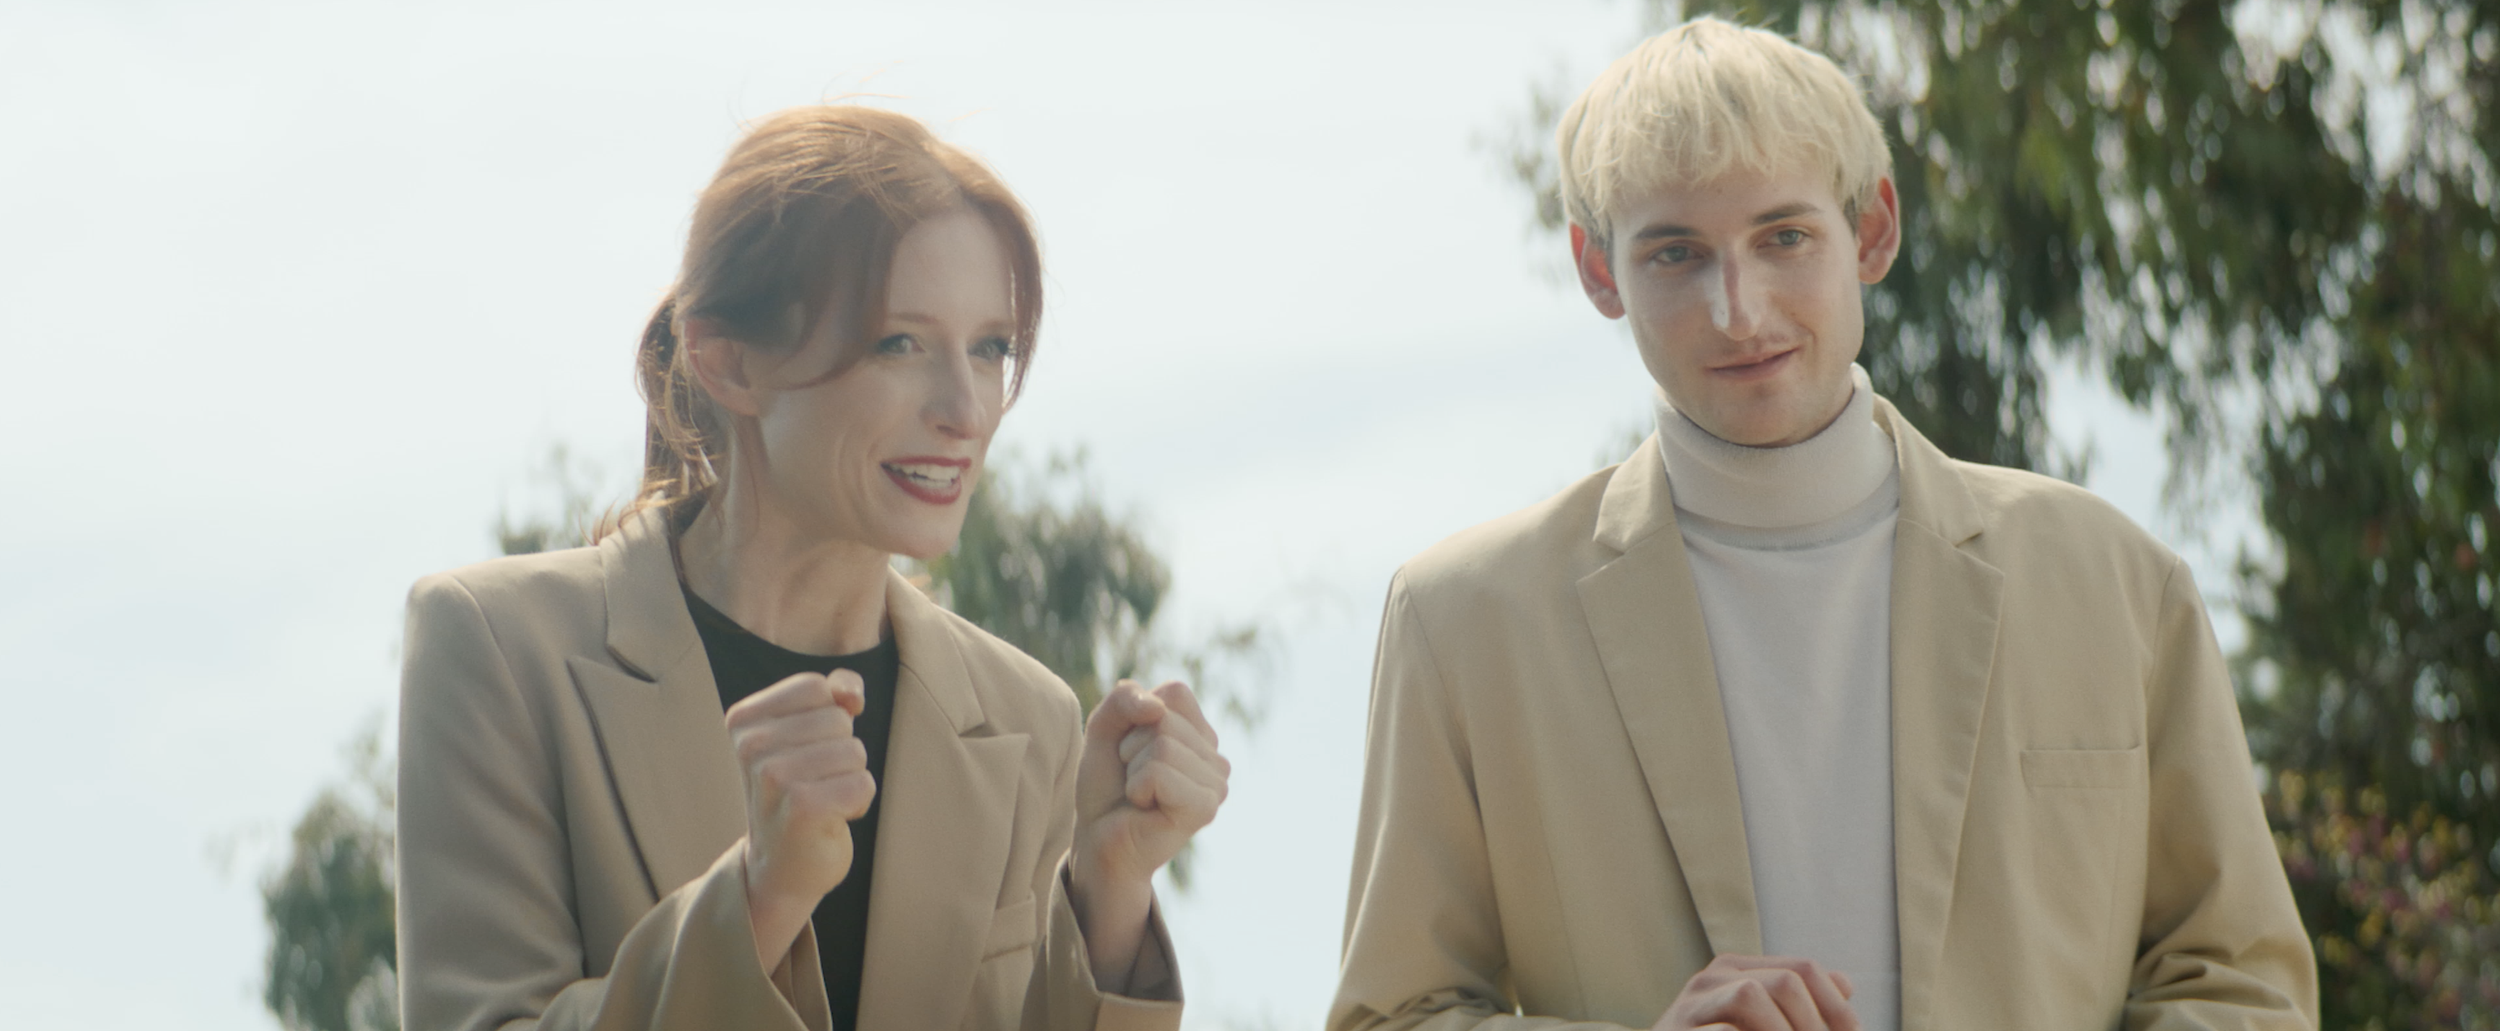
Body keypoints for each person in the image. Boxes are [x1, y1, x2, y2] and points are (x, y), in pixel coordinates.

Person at [1330, 18, 2314, 1031]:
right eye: (1674, 253)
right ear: (1596, 271)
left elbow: (2245, 985)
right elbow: (1393, 1013)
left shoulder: (2113, 578)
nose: (1737, 310)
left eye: (1783, 236)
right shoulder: (1462, 621)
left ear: (1873, 230)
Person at [397, 105, 1229, 1031]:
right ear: (727, 362)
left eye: (990, 347)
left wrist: (1108, 891)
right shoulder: (497, 647)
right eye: (899, 343)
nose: (965, 409)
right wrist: (755, 904)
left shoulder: (1029, 718)